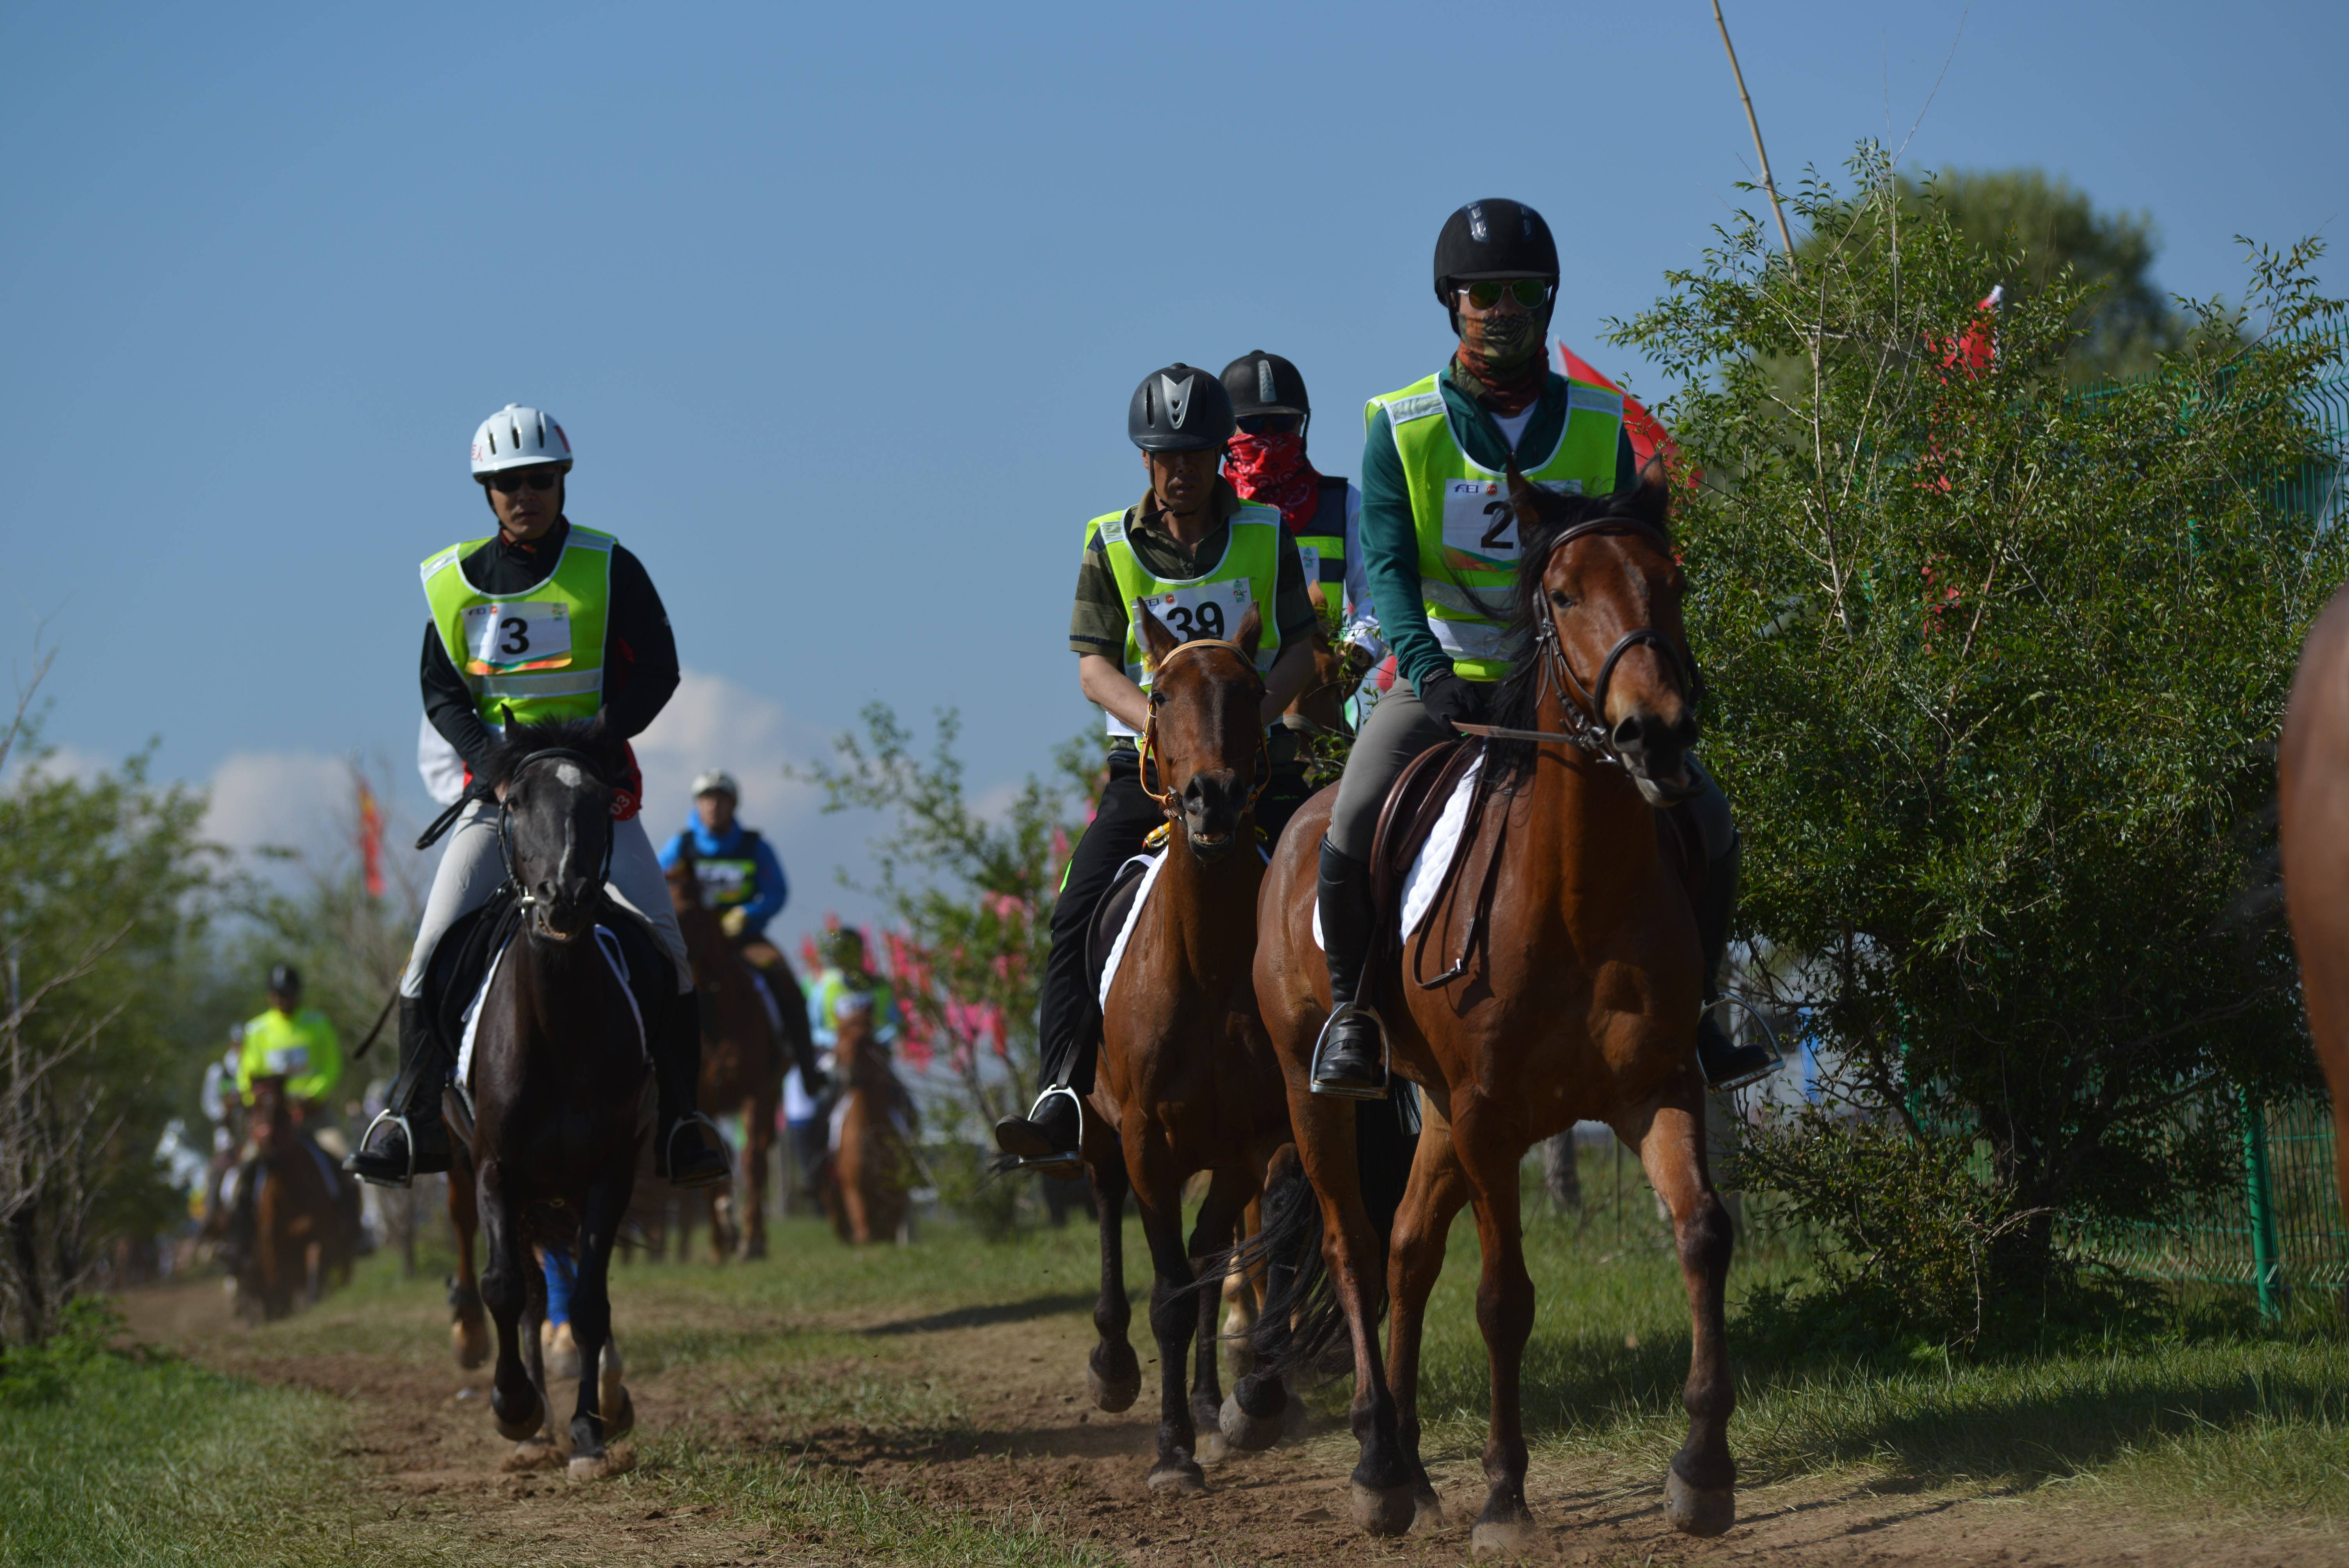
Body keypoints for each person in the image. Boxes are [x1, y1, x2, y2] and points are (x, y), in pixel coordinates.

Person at [1312, 200, 1777, 1098]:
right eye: (1482, 293)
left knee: (1708, 819)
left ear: (1548, 300)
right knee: (1352, 814)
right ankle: (1351, 1017)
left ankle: (1703, 1013)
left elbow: (1630, 567)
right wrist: (1427, 670)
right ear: (1450, 302)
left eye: (1522, 291)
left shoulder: (1600, 421)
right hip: (1445, 673)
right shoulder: (1398, 423)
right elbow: (1389, 566)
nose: (1502, 309)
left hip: (1572, 685)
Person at [346, 403, 726, 1189]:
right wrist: (489, 762)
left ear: (562, 482)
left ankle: (684, 1120)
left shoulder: (609, 565)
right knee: (425, 954)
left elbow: (658, 669)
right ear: (487, 493)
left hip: (594, 801)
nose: (525, 494)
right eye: (507, 484)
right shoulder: (453, 583)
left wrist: (597, 736)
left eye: (539, 480)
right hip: (502, 805)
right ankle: (410, 1114)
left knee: (669, 946)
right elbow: (440, 690)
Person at [990, 363, 1321, 1169]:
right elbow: (1092, 666)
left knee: (1334, 890)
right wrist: (1164, 735)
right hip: (1149, 777)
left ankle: (1359, 1065)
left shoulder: (1266, 532)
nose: (1180, 471)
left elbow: (1303, 649)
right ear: (1144, 460)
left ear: (1219, 455)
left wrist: (1243, 726)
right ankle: (1061, 1089)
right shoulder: (1107, 542)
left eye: (1196, 454)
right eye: (1164, 456)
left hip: (1257, 773)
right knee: (1074, 910)